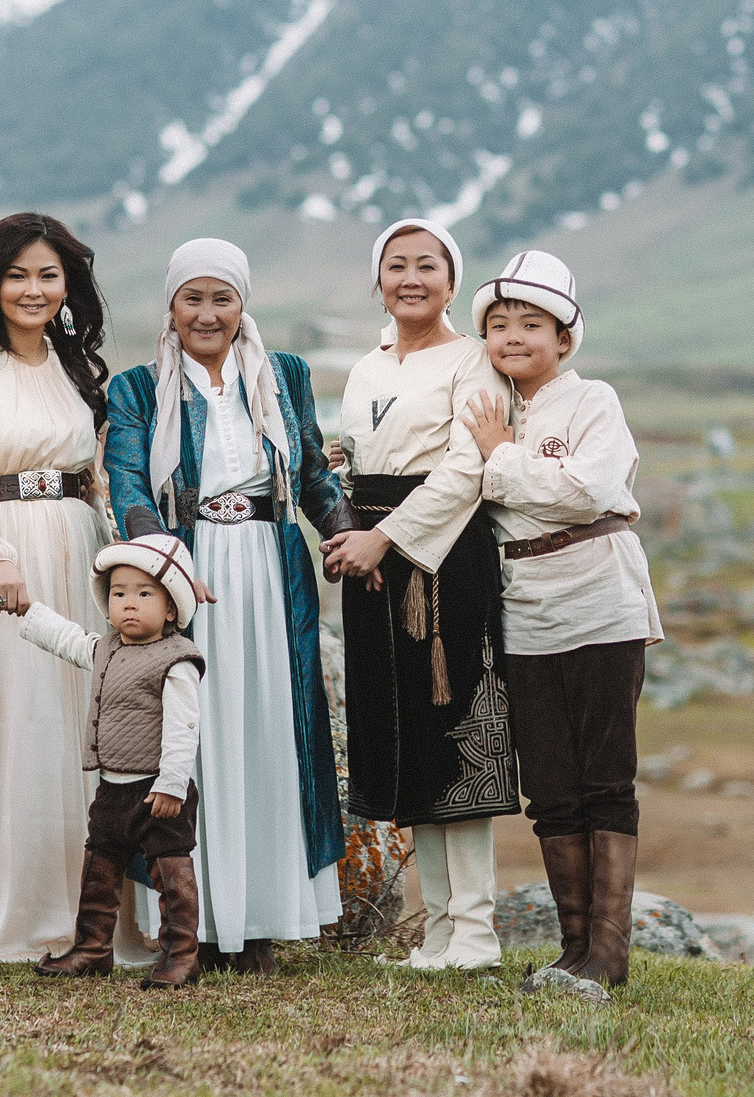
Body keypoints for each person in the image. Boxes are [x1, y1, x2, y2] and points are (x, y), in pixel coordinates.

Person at [101, 238, 350, 973]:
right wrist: (168, 563)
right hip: (188, 574)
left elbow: (309, 472)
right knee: (193, 738)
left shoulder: (286, 375)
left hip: (270, 574)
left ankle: (263, 918)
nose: (207, 314)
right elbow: (128, 484)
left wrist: (345, 536)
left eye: (222, 298)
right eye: (192, 299)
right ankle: (195, 922)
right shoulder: (138, 388)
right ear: (171, 308)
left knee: (268, 730)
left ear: (244, 304)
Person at [0, 211, 131, 964]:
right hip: (4, 559)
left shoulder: (77, 366)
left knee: (82, 722)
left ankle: (94, 910)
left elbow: (97, 477)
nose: (33, 289)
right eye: (17, 275)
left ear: (68, 283)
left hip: (77, 550)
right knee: (20, 721)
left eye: (48, 274)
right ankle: (15, 904)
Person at [459, 250, 660, 990]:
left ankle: (609, 955)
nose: (513, 335)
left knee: (606, 775)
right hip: (526, 608)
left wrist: (500, 459)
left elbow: (588, 490)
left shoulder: (592, 401)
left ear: (565, 338)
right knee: (549, 784)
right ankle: (573, 949)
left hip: (599, 597)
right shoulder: (491, 406)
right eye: (499, 323)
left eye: (532, 322)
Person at [320, 219, 517, 973]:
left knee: (455, 736)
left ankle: (476, 930)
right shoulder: (368, 365)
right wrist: (352, 532)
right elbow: (361, 456)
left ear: (451, 278)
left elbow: (465, 469)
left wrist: (387, 538)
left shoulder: (472, 362)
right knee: (402, 741)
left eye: (426, 265)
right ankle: (436, 930)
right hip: (375, 561)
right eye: (396, 265)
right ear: (378, 279)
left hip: (442, 565)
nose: (411, 277)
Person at [18, 517, 208, 990]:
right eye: (120, 592)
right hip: (112, 788)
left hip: (157, 792)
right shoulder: (105, 648)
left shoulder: (176, 659)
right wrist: (29, 613)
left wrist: (171, 784)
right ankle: (92, 947)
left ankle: (182, 954)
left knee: (171, 872)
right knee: (99, 869)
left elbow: (184, 727)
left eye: (144, 594)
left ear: (171, 609)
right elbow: (68, 641)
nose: (128, 603)